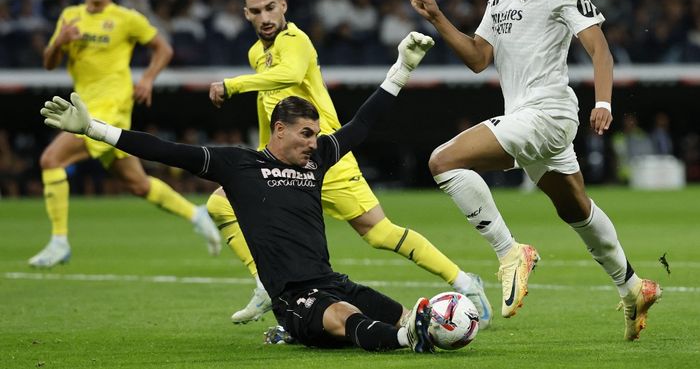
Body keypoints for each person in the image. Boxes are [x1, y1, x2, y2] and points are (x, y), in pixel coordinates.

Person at [41, 32, 440, 353]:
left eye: (316, 135)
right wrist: (94, 129)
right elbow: (165, 150)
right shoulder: (239, 165)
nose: (313, 142)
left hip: (332, 280)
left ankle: (423, 329)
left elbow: (361, 124)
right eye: (306, 134)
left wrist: (401, 68)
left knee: (401, 312)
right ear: (278, 129)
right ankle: (408, 341)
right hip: (292, 298)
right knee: (346, 317)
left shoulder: (317, 160)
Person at [403, 0, 661, 341]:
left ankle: (511, 253)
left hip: (548, 112)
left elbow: (599, 48)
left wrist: (603, 101)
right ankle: (633, 286)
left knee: (442, 161)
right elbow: (478, 58)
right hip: (527, 115)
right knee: (574, 206)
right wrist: (436, 17)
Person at [206, 0, 492, 328]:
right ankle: (267, 283)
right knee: (221, 202)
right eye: (255, 11)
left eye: (269, 7)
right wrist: (263, 154)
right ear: (245, 14)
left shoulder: (296, 41)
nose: (264, 17)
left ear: (283, 6)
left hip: (325, 157)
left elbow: (288, 74)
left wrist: (232, 85)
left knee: (378, 233)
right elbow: (269, 108)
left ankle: (464, 282)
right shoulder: (255, 54)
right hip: (286, 162)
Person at [29, 0, 221, 268]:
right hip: (84, 104)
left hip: (110, 109)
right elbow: (49, 64)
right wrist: (59, 42)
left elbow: (164, 48)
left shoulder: (125, 18)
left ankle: (59, 241)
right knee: (138, 184)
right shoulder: (70, 17)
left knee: (51, 159)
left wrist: (147, 79)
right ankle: (195, 213)